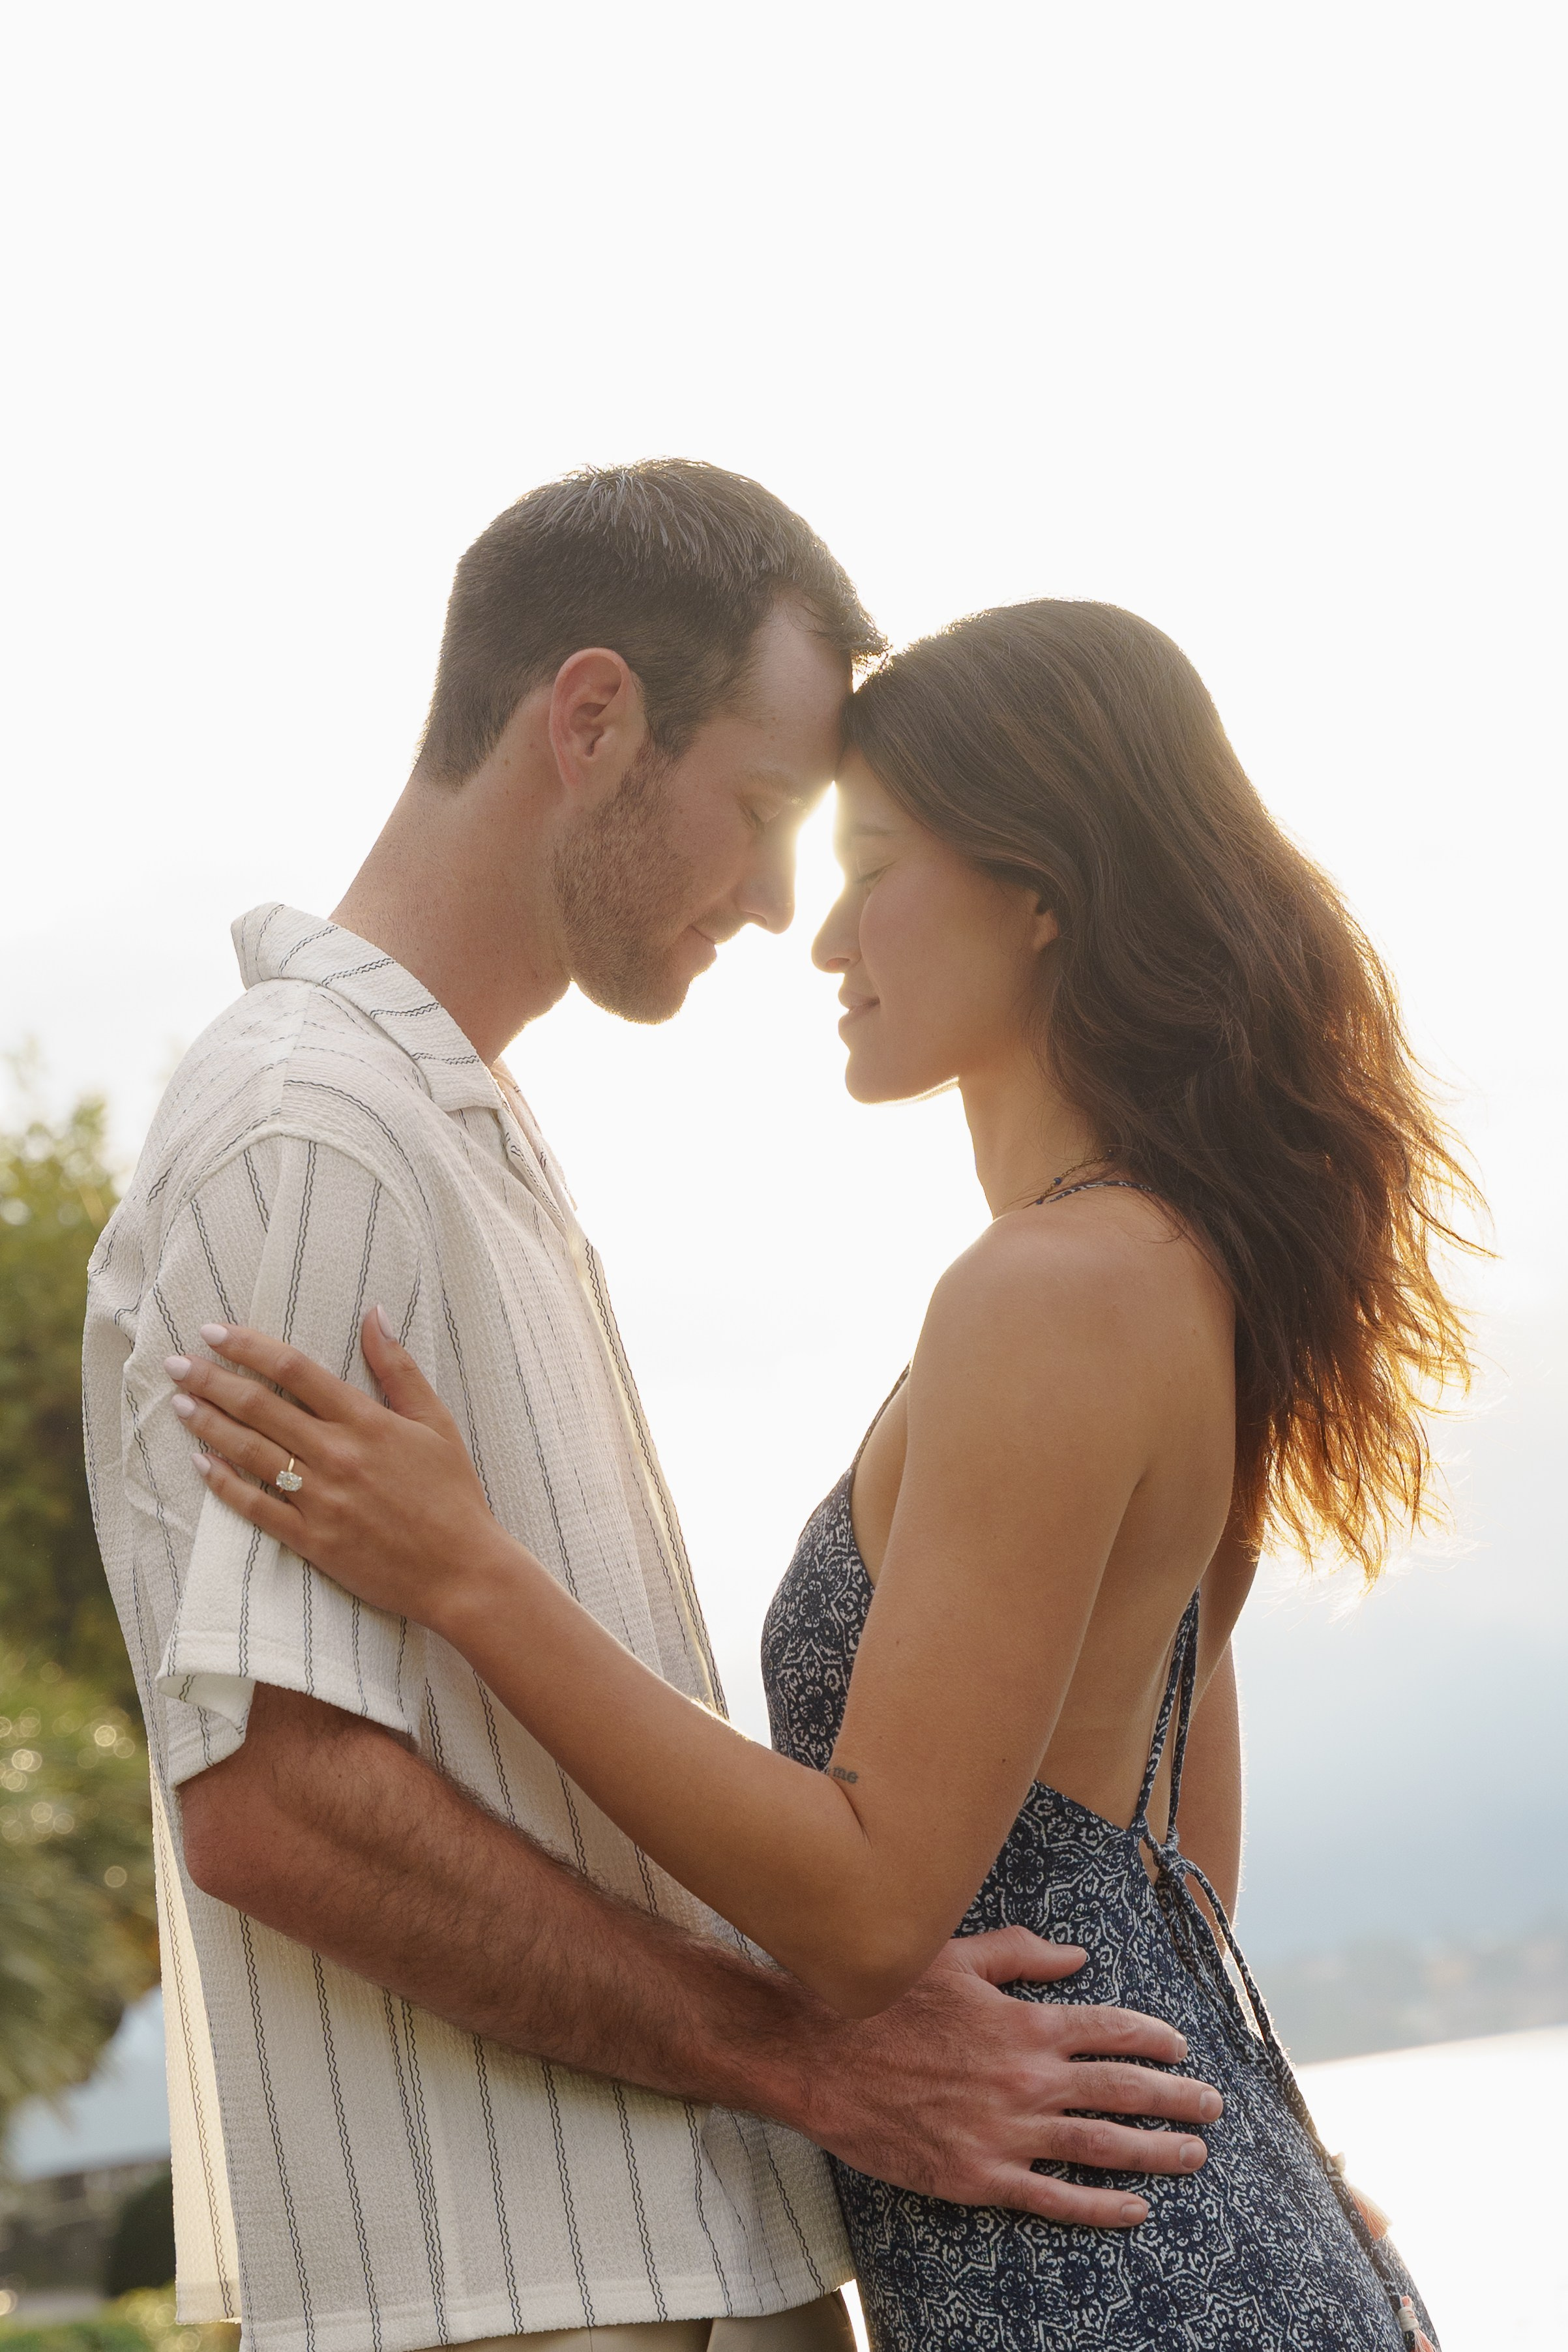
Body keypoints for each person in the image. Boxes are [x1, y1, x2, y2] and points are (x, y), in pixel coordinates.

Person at [170, 598, 1471, 2350]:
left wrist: (465, 1573)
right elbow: (1166, 1857)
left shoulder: (1051, 1291)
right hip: (1156, 2231)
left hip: (1087, 2277)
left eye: (873, 868)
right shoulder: (1172, 1270)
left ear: (1038, 895)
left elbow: (867, 1914)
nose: (823, 932)